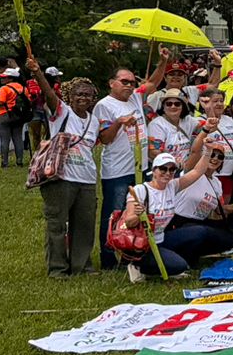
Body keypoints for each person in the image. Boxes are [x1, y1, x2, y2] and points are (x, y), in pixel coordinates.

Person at [25, 56, 99, 277]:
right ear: (70, 96)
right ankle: (58, 268)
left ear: (94, 98)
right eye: (79, 94)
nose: (83, 97)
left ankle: (82, 266)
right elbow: (48, 94)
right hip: (60, 177)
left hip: (86, 179)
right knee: (57, 225)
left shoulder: (93, 120)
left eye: (87, 94)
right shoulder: (61, 112)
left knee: (84, 226)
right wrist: (38, 72)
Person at [93, 57, 164, 269]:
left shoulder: (136, 98)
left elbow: (152, 83)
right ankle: (108, 259)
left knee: (135, 213)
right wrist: (119, 122)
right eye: (124, 81)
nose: (129, 86)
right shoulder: (103, 105)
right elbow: (104, 139)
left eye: (132, 82)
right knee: (114, 214)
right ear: (111, 83)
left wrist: (163, 62)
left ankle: (130, 254)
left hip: (140, 168)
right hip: (117, 171)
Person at [119, 149, 217, 281]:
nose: (167, 173)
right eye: (163, 169)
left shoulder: (172, 186)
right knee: (179, 266)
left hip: (161, 238)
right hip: (143, 244)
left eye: (172, 170)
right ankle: (138, 265)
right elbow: (129, 222)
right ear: (154, 171)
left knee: (198, 232)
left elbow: (197, 172)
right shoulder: (140, 190)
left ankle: (168, 262)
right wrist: (139, 215)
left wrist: (207, 151)